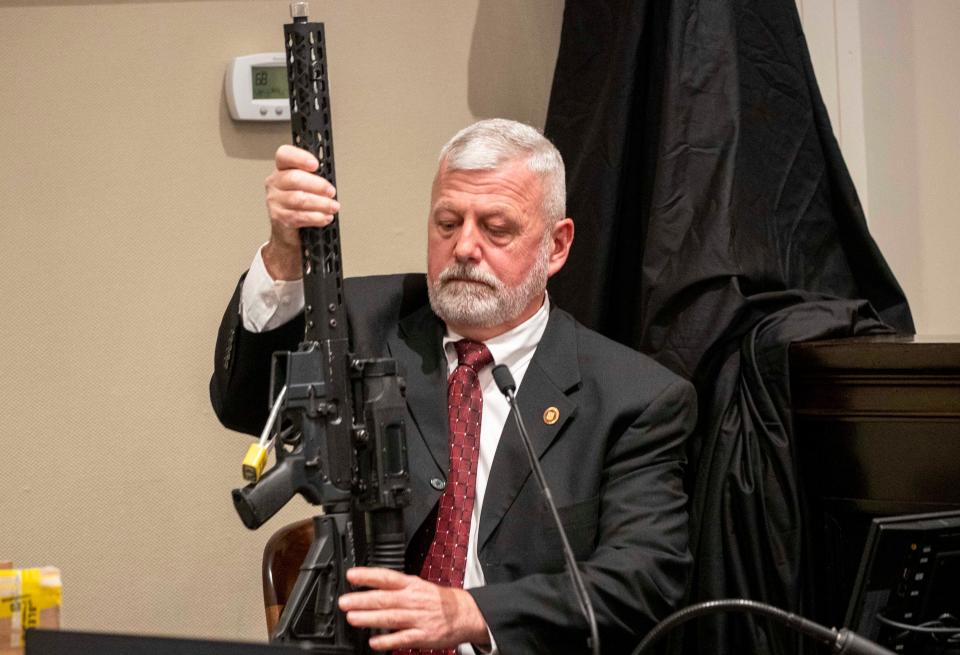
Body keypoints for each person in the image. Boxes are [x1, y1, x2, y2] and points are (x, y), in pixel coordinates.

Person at [211, 118, 697, 654]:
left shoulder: (635, 398)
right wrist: (284, 255)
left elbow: (643, 578)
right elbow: (246, 405)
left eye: (496, 228)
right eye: (447, 222)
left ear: (556, 246)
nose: (465, 247)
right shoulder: (364, 320)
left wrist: (472, 613)